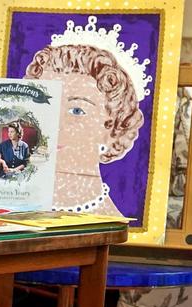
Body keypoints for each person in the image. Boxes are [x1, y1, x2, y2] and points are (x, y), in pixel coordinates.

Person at [24, 43, 146, 215]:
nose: (55, 124)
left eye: (76, 111)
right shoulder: (5, 206)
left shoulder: (109, 223)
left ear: (111, 128)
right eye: (45, 106)